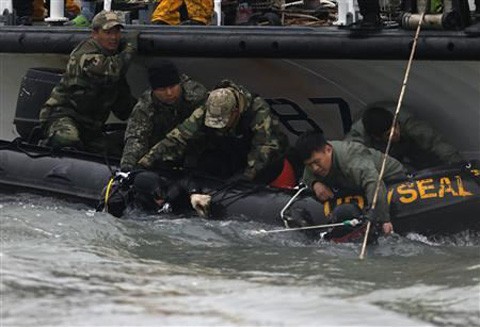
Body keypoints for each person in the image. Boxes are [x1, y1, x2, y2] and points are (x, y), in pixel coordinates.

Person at [136, 80, 290, 183]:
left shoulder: (258, 111)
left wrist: (247, 176)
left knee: (266, 166)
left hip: (264, 162)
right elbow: (179, 136)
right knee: (206, 163)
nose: (219, 126)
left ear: (235, 112)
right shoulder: (207, 108)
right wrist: (146, 161)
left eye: (223, 121)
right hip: (230, 154)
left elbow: (264, 148)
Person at [39, 11, 137, 156]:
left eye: (117, 32)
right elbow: (111, 70)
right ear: (95, 34)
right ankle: (46, 146)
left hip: (90, 127)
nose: (114, 37)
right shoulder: (85, 54)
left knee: (116, 152)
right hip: (63, 116)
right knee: (68, 139)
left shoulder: (113, 61)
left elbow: (124, 108)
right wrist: (130, 48)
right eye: (108, 32)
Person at [296, 131, 407, 235]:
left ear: (328, 150)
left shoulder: (351, 159)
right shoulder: (314, 165)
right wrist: (315, 184)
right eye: (310, 165)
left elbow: (373, 183)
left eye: (317, 162)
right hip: (354, 186)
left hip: (392, 178)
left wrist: (383, 219)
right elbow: (307, 175)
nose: (315, 168)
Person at [120, 60, 208, 171]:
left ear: (179, 83)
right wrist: (127, 168)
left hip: (195, 149)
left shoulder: (196, 95)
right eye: (162, 89)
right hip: (161, 154)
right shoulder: (145, 106)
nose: (169, 93)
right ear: (153, 90)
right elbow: (136, 138)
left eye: (172, 86)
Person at [344, 107, 464, 171]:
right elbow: (348, 159)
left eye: (395, 127)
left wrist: (461, 166)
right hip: (380, 162)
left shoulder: (408, 122)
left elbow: (437, 143)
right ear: (376, 136)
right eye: (388, 134)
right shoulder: (358, 138)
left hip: (409, 149)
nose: (395, 133)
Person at [102, 170, 211, 218]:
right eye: (157, 195)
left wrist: (194, 193)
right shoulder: (126, 203)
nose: (162, 199)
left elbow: (184, 182)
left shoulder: (168, 194)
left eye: (162, 193)